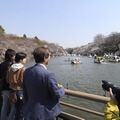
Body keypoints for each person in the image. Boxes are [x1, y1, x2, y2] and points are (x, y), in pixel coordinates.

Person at [23, 46, 65, 120]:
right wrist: (61, 88)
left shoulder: (27, 71)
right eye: (49, 56)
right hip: (44, 114)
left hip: (30, 111)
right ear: (45, 58)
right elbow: (57, 94)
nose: (50, 57)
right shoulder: (48, 74)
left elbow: (25, 91)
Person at [6, 52, 27, 120]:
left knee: (15, 108)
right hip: (20, 90)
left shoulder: (10, 68)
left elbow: (7, 80)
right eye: (24, 58)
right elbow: (22, 81)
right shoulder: (23, 69)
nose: (25, 60)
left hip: (12, 90)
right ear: (21, 60)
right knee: (21, 109)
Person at [0, 49, 16, 120]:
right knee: (13, 106)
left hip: (3, 88)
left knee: (4, 105)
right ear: (12, 56)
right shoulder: (13, 65)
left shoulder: (1, 64)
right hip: (11, 88)